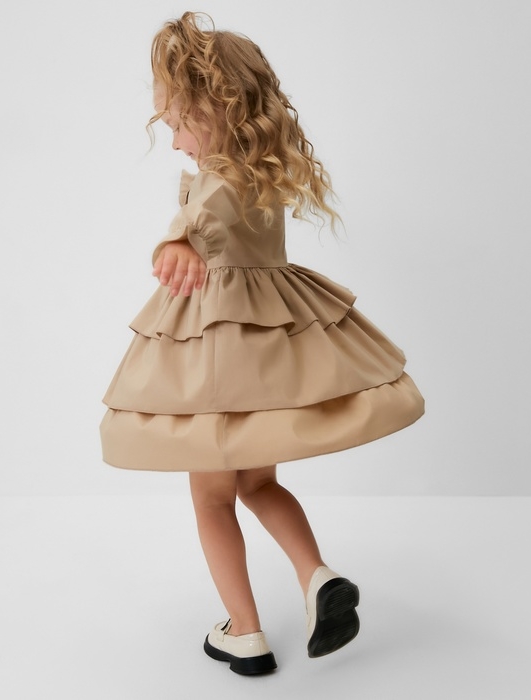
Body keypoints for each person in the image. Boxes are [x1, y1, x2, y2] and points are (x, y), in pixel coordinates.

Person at [100, 11, 424, 675]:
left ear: (212, 108)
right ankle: (317, 576)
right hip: (264, 354)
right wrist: (184, 237)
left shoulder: (214, 186)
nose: (173, 142)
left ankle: (244, 633)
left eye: (176, 123)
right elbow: (214, 222)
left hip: (213, 357)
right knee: (257, 482)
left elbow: (200, 225)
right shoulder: (261, 174)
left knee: (212, 495)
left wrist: (175, 243)